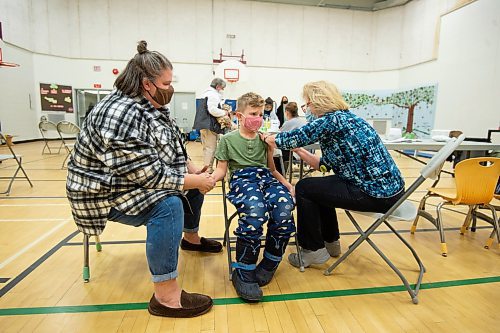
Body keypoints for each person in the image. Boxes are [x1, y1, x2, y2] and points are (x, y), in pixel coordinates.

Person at [66, 41, 221, 318]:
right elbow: (149, 175)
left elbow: (171, 147)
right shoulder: (120, 113)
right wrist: (191, 181)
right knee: (170, 203)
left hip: (127, 179)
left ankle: (191, 239)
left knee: (189, 184)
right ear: (146, 83)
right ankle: (166, 296)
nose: (169, 89)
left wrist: (192, 168)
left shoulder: (148, 104)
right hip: (103, 192)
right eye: (166, 83)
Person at [261, 81, 405, 269]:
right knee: (318, 186)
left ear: (317, 102)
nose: (307, 110)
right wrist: (300, 150)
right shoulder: (349, 120)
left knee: (304, 187)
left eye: (307, 105)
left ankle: (312, 250)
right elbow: (324, 166)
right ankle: (331, 242)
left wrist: (266, 137)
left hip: (375, 194)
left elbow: (292, 137)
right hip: (392, 192)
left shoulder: (332, 120)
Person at [211, 92, 296, 302]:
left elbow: (272, 169)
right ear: (240, 115)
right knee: (255, 211)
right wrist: (210, 179)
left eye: (260, 114)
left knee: (284, 210)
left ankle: (269, 262)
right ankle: (243, 270)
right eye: (253, 113)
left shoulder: (263, 139)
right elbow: (221, 170)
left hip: (266, 179)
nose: (258, 118)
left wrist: (287, 184)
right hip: (242, 180)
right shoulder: (228, 140)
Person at [193, 78, 228, 173]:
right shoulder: (213, 95)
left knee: (206, 148)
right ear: (218, 87)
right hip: (209, 125)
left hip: (203, 124)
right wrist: (224, 112)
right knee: (211, 148)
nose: (223, 90)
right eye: (222, 88)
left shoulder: (206, 93)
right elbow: (212, 110)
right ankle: (208, 169)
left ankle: (207, 167)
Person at [279, 102, 308, 172]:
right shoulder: (303, 121)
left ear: (287, 112)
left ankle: (281, 174)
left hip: (295, 154)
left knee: (277, 151)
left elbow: (280, 136)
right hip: (307, 152)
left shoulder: (288, 123)